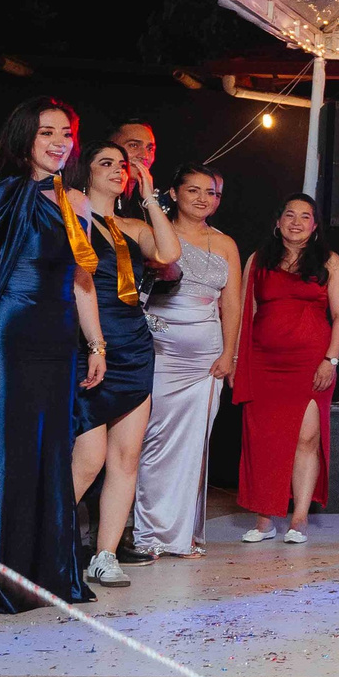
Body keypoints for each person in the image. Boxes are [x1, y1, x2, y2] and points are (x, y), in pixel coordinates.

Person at [0, 101, 105, 614]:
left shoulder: (75, 199)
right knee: (6, 453)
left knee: (49, 455)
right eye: (46, 132)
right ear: (24, 139)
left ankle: (44, 572)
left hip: (56, 340)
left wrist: (95, 344)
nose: (59, 142)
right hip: (8, 331)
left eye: (66, 133)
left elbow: (82, 280)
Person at [71, 140, 178, 586]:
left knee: (126, 457)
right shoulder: (72, 212)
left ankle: (105, 555)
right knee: (89, 458)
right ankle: (41, 543)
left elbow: (170, 254)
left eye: (122, 166)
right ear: (87, 170)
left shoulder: (134, 225)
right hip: (90, 342)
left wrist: (150, 194)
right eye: (106, 163)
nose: (117, 170)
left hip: (134, 344)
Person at [128, 165, 238, 560]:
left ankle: (178, 535)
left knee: (194, 445)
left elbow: (233, 302)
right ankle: (148, 533)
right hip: (160, 349)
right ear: (173, 194)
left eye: (211, 192)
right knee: (154, 440)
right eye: (193, 190)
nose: (203, 198)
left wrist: (229, 353)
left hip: (206, 357)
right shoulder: (153, 231)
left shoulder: (226, 244)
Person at [235, 195, 339, 545]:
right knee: (264, 441)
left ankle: (299, 518)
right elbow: (244, 312)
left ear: (315, 226)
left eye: (305, 216)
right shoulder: (258, 259)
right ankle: (265, 518)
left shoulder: (328, 261)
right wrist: (239, 362)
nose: (296, 222)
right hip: (264, 362)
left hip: (312, 364)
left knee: (306, 439)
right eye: (289, 215)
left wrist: (330, 360)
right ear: (278, 221)